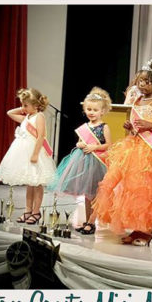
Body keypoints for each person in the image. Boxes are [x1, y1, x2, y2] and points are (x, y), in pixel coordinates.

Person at [90, 59, 152, 246]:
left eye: (148, 82)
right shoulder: (136, 100)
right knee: (128, 188)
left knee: (145, 190)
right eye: (141, 81)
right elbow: (133, 125)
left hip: (149, 151)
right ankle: (135, 227)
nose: (143, 85)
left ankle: (146, 231)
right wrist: (129, 126)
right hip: (132, 147)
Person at [47, 87, 112, 234]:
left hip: (98, 162)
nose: (91, 112)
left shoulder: (104, 127)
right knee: (88, 195)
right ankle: (88, 221)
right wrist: (80, 144)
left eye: (95, 110)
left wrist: (94, 147)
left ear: (102, 111)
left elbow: (109, 145)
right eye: (88, 109)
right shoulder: (85, 127)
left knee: (96, 194)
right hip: (84, 162)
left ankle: (92, 222)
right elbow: (79, 141)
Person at [0, 88, 56, 225]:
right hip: (24, 153)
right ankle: (27, 210)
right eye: (22, 104)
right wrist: (24, 106)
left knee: (37, 183)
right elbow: (9, 113)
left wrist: (35, 154)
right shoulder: (27, 117)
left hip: (35, 153)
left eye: (25, 105)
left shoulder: (39, 116)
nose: (23, 108)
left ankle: (36, 212)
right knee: (29, 184)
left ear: (36, 105)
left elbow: (41, 136)